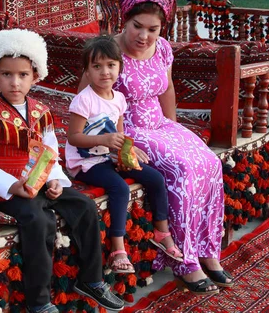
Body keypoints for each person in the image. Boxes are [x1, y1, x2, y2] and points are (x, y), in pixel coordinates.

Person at [78, 0, 233, 295]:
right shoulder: (109, 52)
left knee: (209, 162)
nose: (145, 36)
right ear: (125, 18)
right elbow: (86, 102)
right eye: (138, 26)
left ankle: (206, 250)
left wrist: (175, 129)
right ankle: (185, 261)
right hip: (128, 129)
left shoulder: (162, 49)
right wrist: (112, 148)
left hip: (160, 124)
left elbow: (168, 89)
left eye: (154, 29)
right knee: (183, 168)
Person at [0, 29, 125, 313]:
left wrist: (55, 182)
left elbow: (49, 152)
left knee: (84, 206)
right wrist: (14, 186)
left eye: (23, 74)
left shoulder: (41, 111)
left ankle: (92, 280)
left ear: (35, 76)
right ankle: (39, 302)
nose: (15, 82)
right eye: (7, 74)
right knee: (40, 221)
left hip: (39, 183)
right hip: (6, 190)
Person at [65, 35, 183, 275]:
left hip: (107, 156)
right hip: (86, 161)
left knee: (155, 177)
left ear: (120, 67)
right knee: (120, 187)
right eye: (96, 66)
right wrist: (104, 141)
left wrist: (127, 151)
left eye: (111, 65)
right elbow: (74, 137)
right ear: (86, 72)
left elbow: (118, 135)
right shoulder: (83, 100)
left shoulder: (118, 99)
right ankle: (118, 249)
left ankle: (162, 232)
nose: (104, 72)